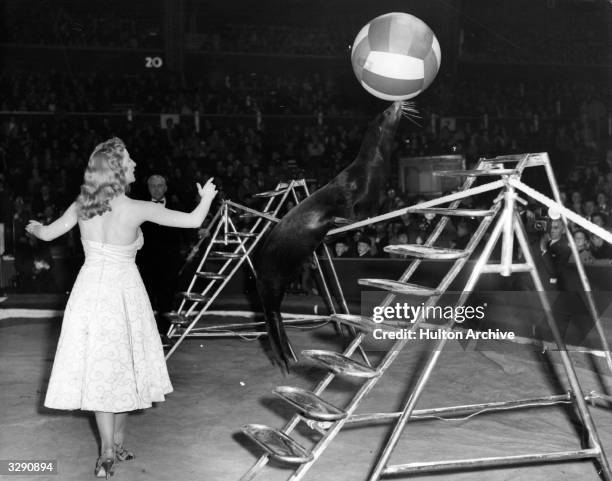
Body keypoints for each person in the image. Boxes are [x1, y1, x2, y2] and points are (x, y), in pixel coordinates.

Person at [26, 138, 217, 479]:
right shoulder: (137, 208)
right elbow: (192, 221)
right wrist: (206, 200)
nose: (134, 166)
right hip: (125, 294)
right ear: (115, 170)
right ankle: (113, 447)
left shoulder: (82, 206)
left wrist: (35, 227)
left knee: (101, 369)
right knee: (128, 364)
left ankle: (110, 450)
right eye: (129, 161)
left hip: (89, 295)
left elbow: (46, 234)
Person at [137, 174, 183, 339]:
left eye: (159, 185)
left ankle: (164, 335)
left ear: (166, 188)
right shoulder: (139, 208)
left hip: (169, 263)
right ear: (148, 188)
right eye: (153, 186)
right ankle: (146, 337)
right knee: (146, 299)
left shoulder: (177, 207)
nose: (156, 189)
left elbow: (183, 233)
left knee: (167, 300)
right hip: (146, 263)